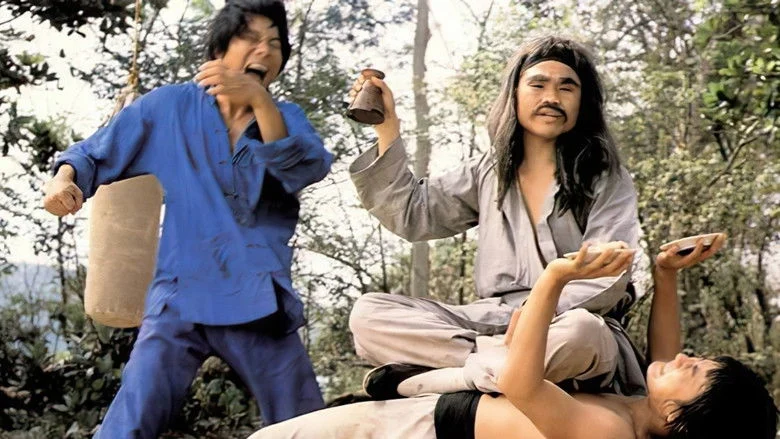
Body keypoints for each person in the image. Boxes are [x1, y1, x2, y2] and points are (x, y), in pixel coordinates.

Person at [42, 1, 332, 437]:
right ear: (218, 52)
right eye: (251, 38)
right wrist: (63, 180)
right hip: (180, 295)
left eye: (275, 43)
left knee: (307, 428)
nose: (265, 50)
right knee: (129, 423)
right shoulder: (170, 108)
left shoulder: (287, 118)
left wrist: (258, 100)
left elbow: (304, 168)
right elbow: (94, 152)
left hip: (258, 298)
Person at [248, 234, 778, 439]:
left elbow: (522, 386)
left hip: (425, 427)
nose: (683, 357)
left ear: (679, 419)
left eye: (694, 370)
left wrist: (555, 277)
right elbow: (666, 349)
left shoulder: (611, 433)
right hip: (441, 403)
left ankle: (425, 375)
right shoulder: (640, 403)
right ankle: (424, 374)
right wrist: (665, 273)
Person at [346, 35, 644, 399]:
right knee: (368, 314)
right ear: (514, 95)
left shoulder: (605, 176)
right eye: (538, 85)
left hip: (563, 324)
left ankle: (458, 372)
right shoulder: (486, 170)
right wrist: (387, 127)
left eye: (567, 87)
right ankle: (492, 366)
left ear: (583, 102)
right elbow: (412, 213)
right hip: (487, 323)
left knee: (583, 332)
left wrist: (532, 317)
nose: (552, 97)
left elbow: (608, 275)